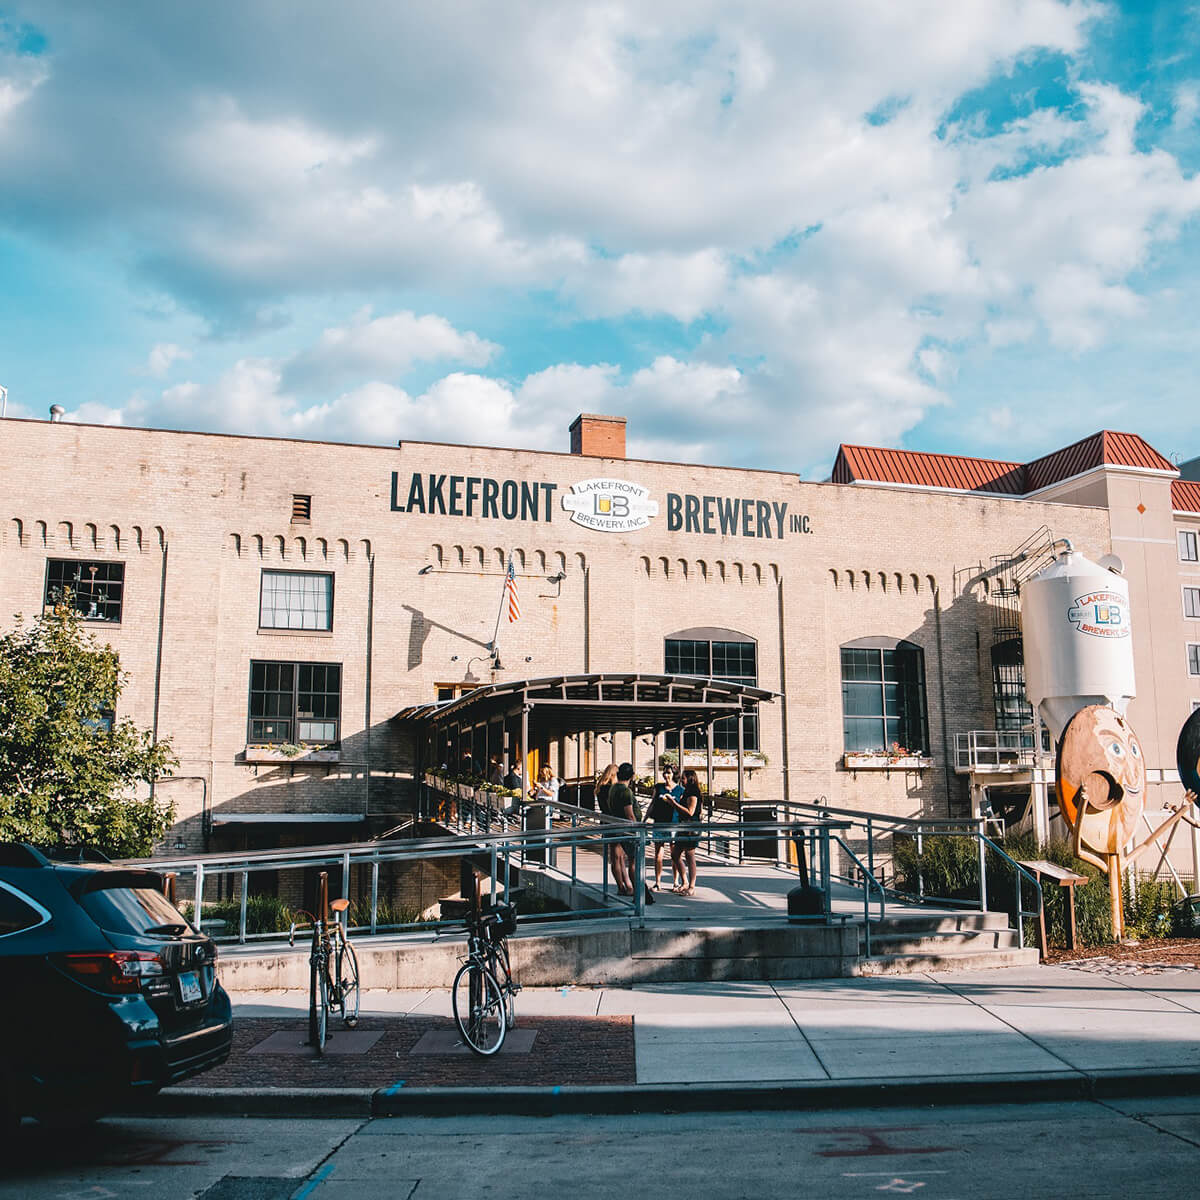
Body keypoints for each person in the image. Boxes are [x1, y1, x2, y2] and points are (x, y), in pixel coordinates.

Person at [611, 762, 654, 906]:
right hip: (630, 832)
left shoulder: (613, 789)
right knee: (635, 862)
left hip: (620, 829)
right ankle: (639, 893)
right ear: (632, 776)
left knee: (631, 861)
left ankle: (639, 892)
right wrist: (638, 830)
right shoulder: (625, 791)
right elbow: (629, 815)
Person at [594, 763, 632, 894]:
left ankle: (622, 885)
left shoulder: (600, 788)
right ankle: (624, 886)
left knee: (615, 856)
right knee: (619, 857)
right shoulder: (613, 790)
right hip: (615, 822)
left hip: (606, 822)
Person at [646, 764, 680, 890]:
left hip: (674, 823)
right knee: (658, 854)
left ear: (674, 774)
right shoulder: (658, 787)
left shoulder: (679, 790)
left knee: (675, 853)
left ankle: (676, 881)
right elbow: (653, 804)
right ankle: (658, 882)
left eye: (669, 773)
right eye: (665, 772)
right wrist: (645, 818)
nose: (666, 775)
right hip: (659, 822)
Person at [670, 768, 703, 895]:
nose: (681, 780)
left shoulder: (693, 793)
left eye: (683, 778)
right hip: (683, 825)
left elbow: (690, 811)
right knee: (675, 854)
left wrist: (674, 804)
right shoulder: (687, 791)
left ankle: (691, 886)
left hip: (691, 827)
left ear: (689, 779)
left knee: (690, 855)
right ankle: (684, 882)